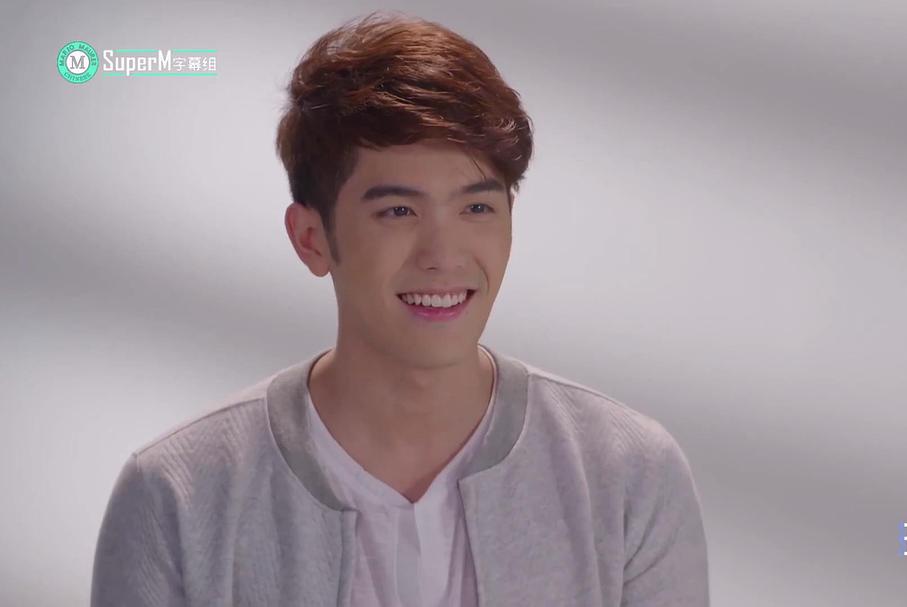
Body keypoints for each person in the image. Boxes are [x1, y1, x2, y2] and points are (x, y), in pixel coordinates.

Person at [90, 10, 709, 606]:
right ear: (311, 238)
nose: (443, 256)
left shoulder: (628, 475)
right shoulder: (177, 494)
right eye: (398, 211)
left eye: (476, 208)